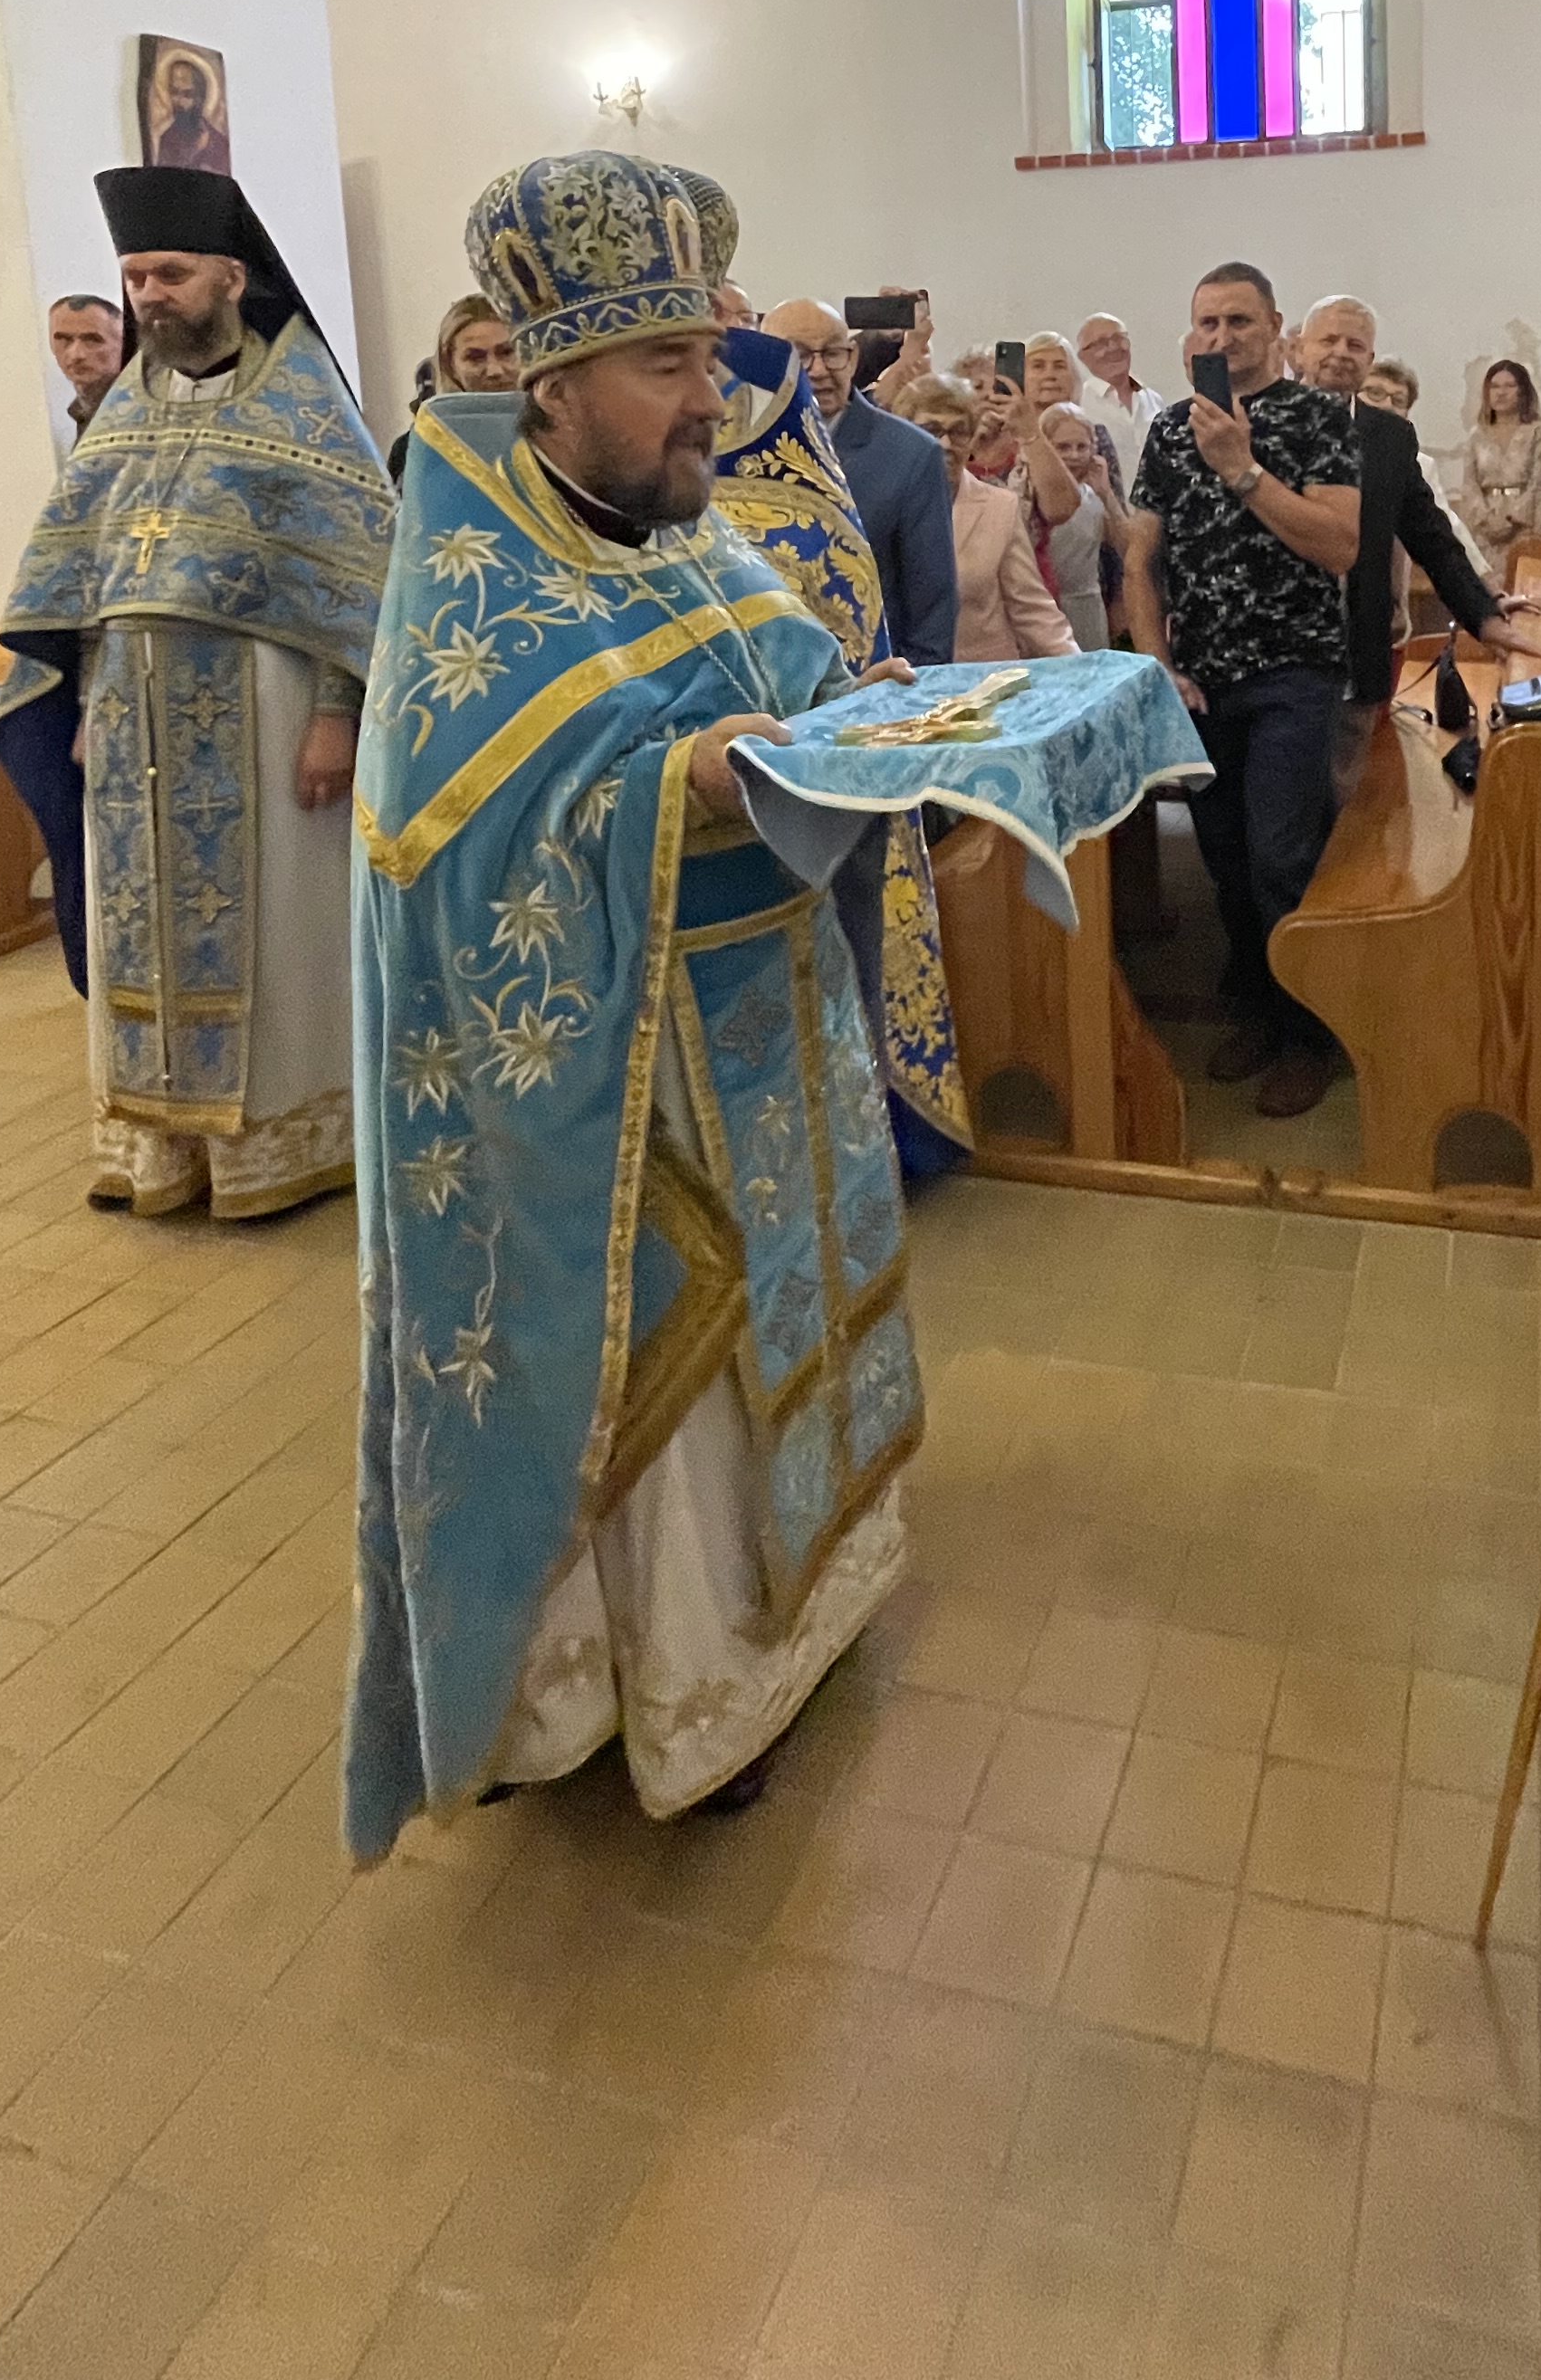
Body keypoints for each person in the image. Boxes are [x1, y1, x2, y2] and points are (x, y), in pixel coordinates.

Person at [347, 152, 925, 1855]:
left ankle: (798, 1622)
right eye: (666, 363)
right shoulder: (470, 576)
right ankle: (666, 1693)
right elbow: (444, 849)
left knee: (780, 1333)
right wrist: (687, 785)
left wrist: (865, 706)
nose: (709, 398)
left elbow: (783, 675)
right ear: (554, 383)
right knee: (670, 1377)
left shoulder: (689, 525)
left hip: (772, 1015)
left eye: (707, 357)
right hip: (619, 1077)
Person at [0, 169, 393, 1219]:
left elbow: (361, 577)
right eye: (135, 278)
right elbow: (82, 574)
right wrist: (86, 702)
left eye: (170, 274)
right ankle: (158, 1151)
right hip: (132, 719)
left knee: (276, 933)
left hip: (268, 711)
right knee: (139, 931)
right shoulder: (128, 409)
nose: (150, 296)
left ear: (231, 276)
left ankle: (273, 1151)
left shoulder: (304, 403)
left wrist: (337, 713)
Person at [659, 206, 969, 1180]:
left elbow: (889, 620)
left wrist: (874, 707)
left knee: (851, 953)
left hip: (837, 756)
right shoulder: (666, 495)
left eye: (835, 351)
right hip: (707, 778)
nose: (706, 400)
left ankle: (869, 1137)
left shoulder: (854, 476)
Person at [1126, 264, 1362, 1119]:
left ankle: (1314, 1036)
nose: (1220, 338)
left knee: (1283, 857)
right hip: (1201, 680)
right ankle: (1262, 1007)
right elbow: (1139, 560)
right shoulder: (1168, 430)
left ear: (1274, 327)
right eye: (1207, 324)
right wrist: (1157, 664)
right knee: (1224, 856)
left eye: (1238, 321)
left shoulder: (1317, 418)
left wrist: (1242, 468)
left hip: (1293, 671)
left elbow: (1339, 545)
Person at [1297, 293, 1531, 710]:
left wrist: (1484, 617)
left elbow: (1432, 536)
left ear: (1369, 360)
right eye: (1328, 340)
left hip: (1357, 656)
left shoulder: (1390, 436)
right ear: (1300, 349)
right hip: (1278, 662)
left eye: (1355, 345)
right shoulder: (1261, 423)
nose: (1341, 353)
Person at [765, 299, 957, 668]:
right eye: (801, 356)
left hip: (875, 681)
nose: (819, 370)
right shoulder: (730, 451)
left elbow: (932, 612)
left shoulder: (910, 454)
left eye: (833, 354)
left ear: (852, 358)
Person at [898, 376, 1078, 661]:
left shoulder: (999, 507)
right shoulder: (884, 503)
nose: (945, 443)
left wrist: (1080, 669)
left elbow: (1033, 611)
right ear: (904, 434)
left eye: (959, 431)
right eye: (931, 430)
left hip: (986, 675)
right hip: (904, 674)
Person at [386, 292, 515, 479]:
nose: (494, 370)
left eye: (506, 353)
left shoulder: (555, 436)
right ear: (450, 365)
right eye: (475, 358)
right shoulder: (417, 447)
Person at [1036, 402, 1123, 651]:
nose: (1074, 455)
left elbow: (1125, 546)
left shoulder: (1093, 495)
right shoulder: (1031, 492)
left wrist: (1107, 494)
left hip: (1088, 608)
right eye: (1063, 447)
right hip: (1045, 608)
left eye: (1081, 447)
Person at [1457, 357, 1541, 559]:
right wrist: (1486, 519)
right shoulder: (1477, 435)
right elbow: (1470, 485)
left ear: (1522, 391)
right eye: (1495, 386)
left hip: (1526, 527)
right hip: (1485, 532)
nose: (1501, 392)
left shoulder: (1539, 432)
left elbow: (1539, 481)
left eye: (1509, 386)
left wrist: (1513, 518)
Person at [1077, 310, 1163, 484]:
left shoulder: (1154, 400)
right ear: (1083, 357)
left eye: (1119, 338)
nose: (1113, 348)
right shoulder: (1079, 403)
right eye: (1101, 343)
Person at [46, 289, 121, 436]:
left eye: (92, 340)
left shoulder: (139, 407)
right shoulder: (82, 410)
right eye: (64, 340)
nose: (76, 355)